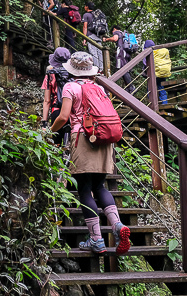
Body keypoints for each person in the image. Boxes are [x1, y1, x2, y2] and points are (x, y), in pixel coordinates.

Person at [50, 52, 131, 255]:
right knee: (100, 186)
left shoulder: (70, 87)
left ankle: (96, 239)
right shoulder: (100, 88)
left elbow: (63, 116)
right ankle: (118, 225)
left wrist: (49, 130)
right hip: (104, 140)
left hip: (83, 139)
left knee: (85, 190)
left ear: (73, 70)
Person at [41, 47, 71, 145]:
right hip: (72, 113)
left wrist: (44, 123)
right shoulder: (74, 73)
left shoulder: (50, 74)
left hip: (57, 112)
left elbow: (47, 101)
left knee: (56, 145)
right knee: (72, 145)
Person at [102, 25, 136, 94]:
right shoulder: (124, 34)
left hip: (121, 53)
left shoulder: (117, 32)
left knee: (122, 69)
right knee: (125, 69)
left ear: (114, 29)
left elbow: (115, 39)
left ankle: (131, 87)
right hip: (127, 53)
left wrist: (106, 39)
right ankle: (129, 88)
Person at [143, 40, 170, 104]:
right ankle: (164, 102)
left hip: (154, 73)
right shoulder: (159, 52)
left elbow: (145, 64)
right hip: (163, 72)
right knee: (161, 87)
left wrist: (144, 72)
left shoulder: (148, 52)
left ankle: (152, 104)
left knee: (150, 89)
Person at [81, 3, 105, 73]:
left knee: (93, 53)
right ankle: (102, 69)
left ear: (87, 7)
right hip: (99, 36)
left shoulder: (86, 15)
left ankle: (96, 70)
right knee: (99, 53)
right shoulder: (97, 15)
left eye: (85, 6)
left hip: (90, 36)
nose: (84, 7)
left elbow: (85, 27)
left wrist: (84, 39)